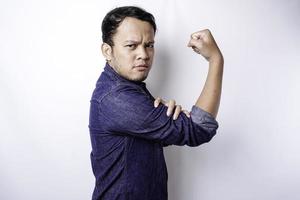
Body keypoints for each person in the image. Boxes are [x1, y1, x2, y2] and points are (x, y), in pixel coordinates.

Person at [88, 6, 223, 200]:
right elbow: (199, 129)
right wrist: (216, 59)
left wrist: (164, 122)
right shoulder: (117, 97)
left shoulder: (129, 89)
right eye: (131, 46)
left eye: (149, 45)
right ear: (107, 51)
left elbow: (162, 136)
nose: (143, 54)